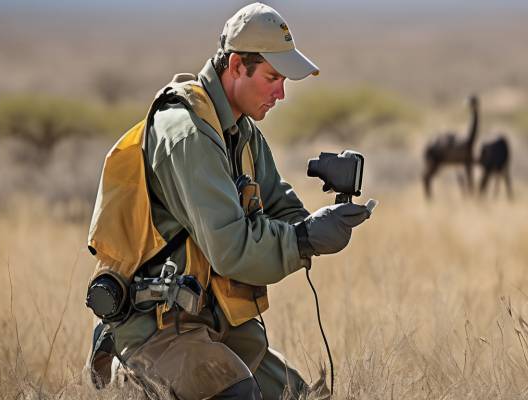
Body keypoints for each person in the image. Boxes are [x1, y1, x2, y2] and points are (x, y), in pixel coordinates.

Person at [84, 3, 372, 399]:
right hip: (157, 330)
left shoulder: (242, 133)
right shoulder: (187, 134)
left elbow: (282, 209)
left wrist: (325, 218)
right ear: (237, 66)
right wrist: (305, 238)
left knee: (302, 395)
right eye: (273, 77)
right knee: (239, 393)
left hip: (209, 324)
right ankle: (128, 375)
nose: (282, 93)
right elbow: (231, 249)